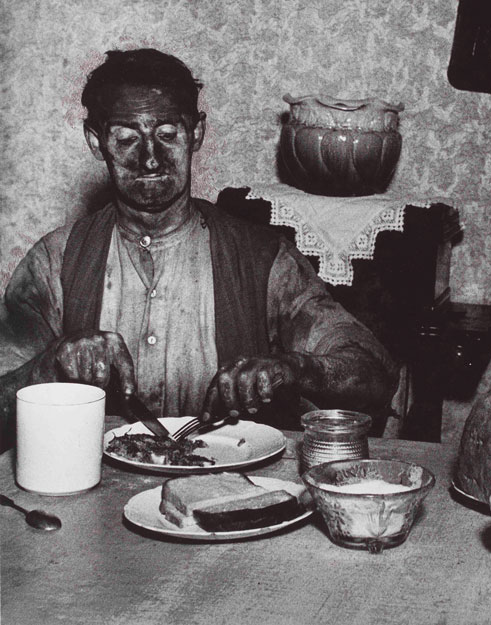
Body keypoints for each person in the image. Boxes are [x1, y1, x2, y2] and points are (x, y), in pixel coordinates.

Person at [0, 49, 398, 444]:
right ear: (95, 140)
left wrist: (294, 369)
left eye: (168, 135)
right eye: (126, 138)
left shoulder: (261, 258)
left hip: (224, 491)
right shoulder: (56, 260)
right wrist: (50, 366)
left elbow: (375, 376)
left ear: (196, 134)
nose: (150, 158)